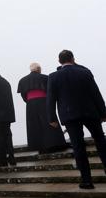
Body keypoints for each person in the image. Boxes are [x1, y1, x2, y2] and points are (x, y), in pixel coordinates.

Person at [47, 50, 106, 190]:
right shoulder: (84, 72)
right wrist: (103, 112)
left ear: (59, 61)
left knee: (78, 147)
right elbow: (95, 93)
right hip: (90, 112)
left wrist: (52, 117)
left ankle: (87, 181)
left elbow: (50, 99)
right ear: (73, 58)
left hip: (69, 115)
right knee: (101, 141)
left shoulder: (53, 76)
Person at [18, 63, 67, 154]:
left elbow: (23, 96)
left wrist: (30, 101)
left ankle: (41, 147)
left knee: (35, 125)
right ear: (39, 69)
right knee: (49, 122)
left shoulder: (22, 80)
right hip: (44, 101)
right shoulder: (46, 77)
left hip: (30, 105)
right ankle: (56, 145)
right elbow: (51, 92)